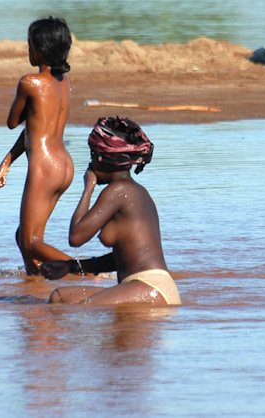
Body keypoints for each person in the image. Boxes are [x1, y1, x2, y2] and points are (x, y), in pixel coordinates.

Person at [41, 117, 181, 306]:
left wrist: (88, 188)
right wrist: (71, 266)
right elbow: (122, 258)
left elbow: (76, 237)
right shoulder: (135, 192)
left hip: (151, 287)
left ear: (104, 158)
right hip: (145, 286)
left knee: (85, 308)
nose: (90, 163)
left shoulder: (117, 191)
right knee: (59, 297)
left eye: (93, 155)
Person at [0, 16, 75, 275]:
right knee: (23, 237)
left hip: (44, 168)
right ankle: (36, 280)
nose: (28, 51)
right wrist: (7, 161)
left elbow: (13, 122)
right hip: (64, 166)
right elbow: (37, 129)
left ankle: (86, 271)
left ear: (41, 49)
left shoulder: (30, 82)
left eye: (30, 46)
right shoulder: (65, 83)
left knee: (31, 241)